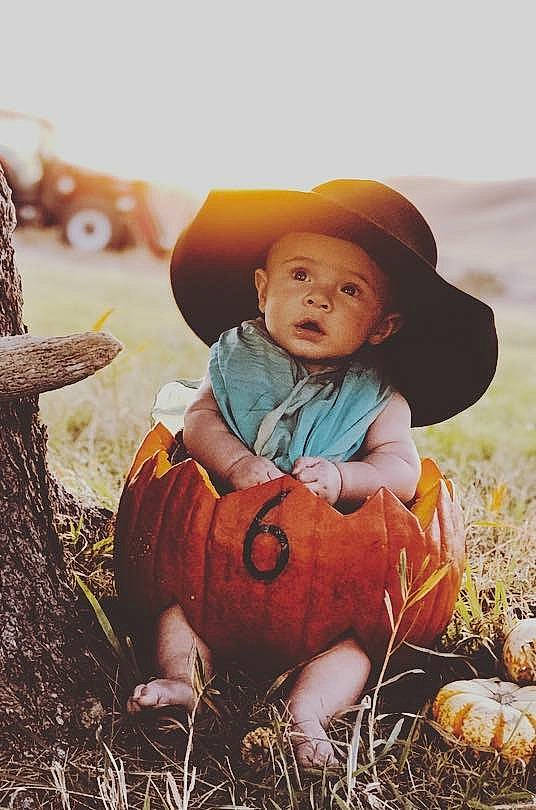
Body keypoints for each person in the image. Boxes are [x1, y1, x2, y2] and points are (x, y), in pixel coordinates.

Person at [126, 179, 498, 768]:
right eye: (301, 276)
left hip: (333, 578)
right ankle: (181, 682)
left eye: (349, 289)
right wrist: (238, 463)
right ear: (262, 287)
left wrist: (345, 478)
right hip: (212, 555)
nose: (318, 298)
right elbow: (197, 422)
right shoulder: (233, 358)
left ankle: (309, 716)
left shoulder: (380, 396)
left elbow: (402, 470)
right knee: (178, 609)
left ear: (382, 325)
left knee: (354, 648)